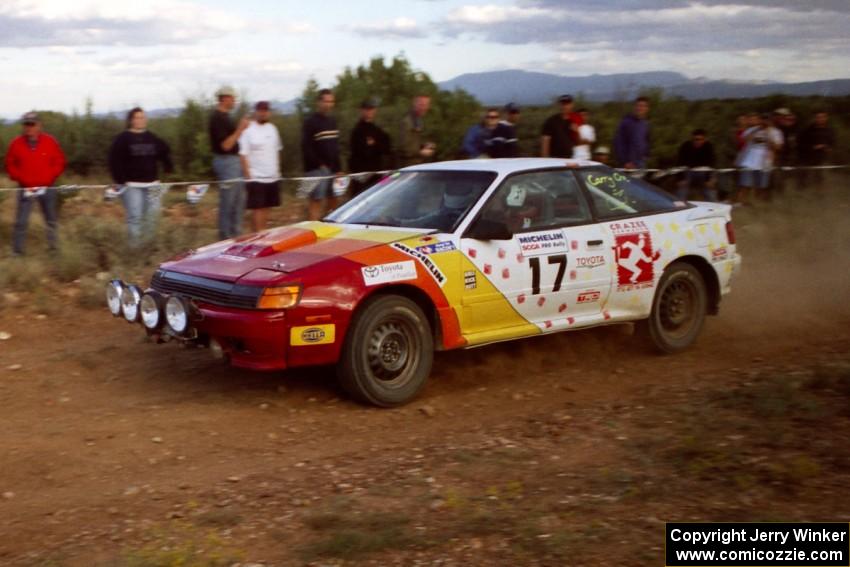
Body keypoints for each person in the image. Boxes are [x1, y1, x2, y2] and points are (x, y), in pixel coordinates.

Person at [108, 107, 174, 247]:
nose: (140, 120)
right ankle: (136, 250)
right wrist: (120, 180)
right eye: (137, 117)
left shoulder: (152, 137)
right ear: (131, 120)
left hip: (153, 184)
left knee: (152, 217)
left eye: (143, 117)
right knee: (135, 217)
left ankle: (148, 247)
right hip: (132, 186)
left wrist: (168, 168)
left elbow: (165, 151)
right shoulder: (122, 139)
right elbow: (114, 160)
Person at [5, 112, 66, 256]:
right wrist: (19, 177)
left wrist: (51, 176)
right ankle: (17, 253)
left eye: (32, 124)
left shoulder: (50, 141)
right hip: (26, 188)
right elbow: (10, 163)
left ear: (39, 125)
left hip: (47, 187)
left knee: (50, 219)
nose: (29, 127)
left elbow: (59, 161)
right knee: (21, 222)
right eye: (26, 124)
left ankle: (54, 250)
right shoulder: (16, 143)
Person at [209, 85, 250, 239]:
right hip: (226, 163)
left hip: (234, 162)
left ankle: (236, 237)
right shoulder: (217, 118)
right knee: (228, 203)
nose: (235, 101)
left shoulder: (226, 117)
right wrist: (240, 129)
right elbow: (226, 145)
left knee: (238, 204)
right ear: (224, 98)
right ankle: (225, 239)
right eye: (233, 98)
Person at [238, 101, 283, 232]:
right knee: (257, 209)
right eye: (261, 110)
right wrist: (248, 176)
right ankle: (257, 238)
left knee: (266, 208)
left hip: (272, 176)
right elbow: (243, 154)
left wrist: (278, 171)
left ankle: (263, 236)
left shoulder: (273, 128)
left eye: (266, 110)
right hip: (256, 177)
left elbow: (278, 150)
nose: (263, 113)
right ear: (256, 112)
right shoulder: (248, 130)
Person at [302, 88, 342, 220]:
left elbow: (336, 147)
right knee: (316, 201)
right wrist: (320, 165)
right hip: (316, 170)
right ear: (319, 102)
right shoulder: (310, 122)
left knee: (334, 200)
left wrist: (338, 169)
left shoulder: (332, 121)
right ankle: (313, 230)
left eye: (331, 101)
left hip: (332, 169)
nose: (328, 104)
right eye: (326, 101)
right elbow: (306, 147)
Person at [735, 112, 783, 204]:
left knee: (762, 187)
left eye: (767, 119)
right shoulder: (751, 130)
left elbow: (778, 147)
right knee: (744, 185)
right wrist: (756, 130)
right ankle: (740, 203)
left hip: (765, 163)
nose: (764, 121)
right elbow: (743, 140)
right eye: (763, 119)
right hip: (748, 162)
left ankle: (759, 205)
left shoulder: (776, 132)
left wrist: (768, 135)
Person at [348, 98, 391, 197]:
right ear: (362, 110)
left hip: (376, 172)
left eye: (372, 109)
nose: (370, 111)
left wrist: (374, 144)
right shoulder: (357, 131)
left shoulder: (377, 130)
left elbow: (387, 147)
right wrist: (373, 146)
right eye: (367, 109)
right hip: (361, 175)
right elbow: (359, 151)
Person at [797, 110, 835, 190]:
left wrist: (828, 148)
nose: (820, 119)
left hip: (823, 160)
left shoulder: (830, 130)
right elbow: (800, 143)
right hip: (808, 159)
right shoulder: (808, 130)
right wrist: (813, 147)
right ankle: (803, 194)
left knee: (820, 179)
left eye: (823, 117)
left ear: (826, 118)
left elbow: (832, 143)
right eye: (818, 117)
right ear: (815, 118)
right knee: (805, 179)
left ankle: (820, 196)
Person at [675, 129, 717, 202]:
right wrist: (680, 178)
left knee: (709, 190)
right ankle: (679, 208)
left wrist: (710, 179)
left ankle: (714, 208)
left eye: (701, 139)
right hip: (688, 171)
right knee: (682, 189)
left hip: (704, 172)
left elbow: (712, 163)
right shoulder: (685, 146)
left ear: (705, 139)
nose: (698, 141)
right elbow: (679, 163)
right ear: (692, 139)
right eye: (695, 139)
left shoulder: (709, 146)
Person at [398, 94, 436, 167]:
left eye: (427, 105)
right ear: (414, 104)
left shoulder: (418, 120)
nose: (425, 108)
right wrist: (421, 152)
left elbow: (415, 142)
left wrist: (425, 145)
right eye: (421, 105)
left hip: (417, 164)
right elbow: (404, 149)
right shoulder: (407, 122)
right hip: (407, 166)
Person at [613, 96, 651, 169]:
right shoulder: (626, 122)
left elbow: (647, 141)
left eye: (643, 106)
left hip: (641, 163)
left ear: (647, 109)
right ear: (634, 107)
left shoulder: (645, 124)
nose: (640, 108)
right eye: (638, 106)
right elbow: (618, 143)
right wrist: (625, 162)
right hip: (628, 165)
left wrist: (646, 156)